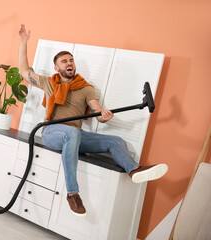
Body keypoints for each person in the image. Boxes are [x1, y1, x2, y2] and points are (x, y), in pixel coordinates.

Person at [17, 24, 168, 216]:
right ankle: (72, 193)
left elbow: (97, 110)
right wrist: (23, 42)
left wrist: (104, 117)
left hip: (76, 135)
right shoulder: (48, 82)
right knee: (71, 133)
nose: (69, 63)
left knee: (116, 141)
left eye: (71, 60)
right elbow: (23, 71)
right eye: (64, 61)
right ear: (57, 67)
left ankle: (134, 170)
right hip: (51, 131)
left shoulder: (86, 88)